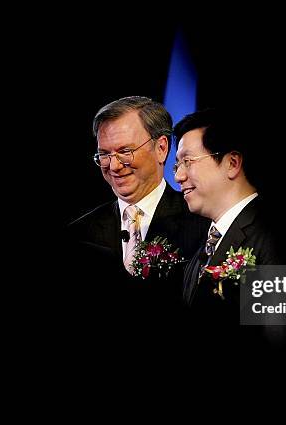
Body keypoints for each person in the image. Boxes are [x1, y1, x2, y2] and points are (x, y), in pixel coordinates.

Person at [67, 96, 209, 320]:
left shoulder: (204, 222)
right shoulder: (79, 233)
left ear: (162, 148)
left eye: (125, 151)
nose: (113, 166)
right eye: (104, 154)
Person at [173, 108, 284, 324]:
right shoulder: (200, 251)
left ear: (232, 163)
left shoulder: (273, 236)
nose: (178, 176)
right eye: (177, 165)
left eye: (187, 161)